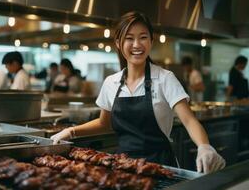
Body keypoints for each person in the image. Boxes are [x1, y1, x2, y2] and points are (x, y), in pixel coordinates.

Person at [51, 11, 225, 174]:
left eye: (143, 37)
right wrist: (71, 131)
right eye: (129, 38)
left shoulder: (165, 78)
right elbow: (105, 123)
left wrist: (204, 146)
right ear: (119, 43)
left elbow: (189, 120)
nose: (137, 45)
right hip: (123, 167)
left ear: (151, 41)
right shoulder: (111, 82)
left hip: (162, 167)